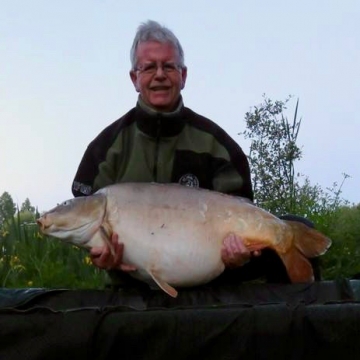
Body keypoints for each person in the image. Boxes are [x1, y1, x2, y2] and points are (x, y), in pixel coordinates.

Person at [71, 20, 311, 288]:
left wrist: (239, 254)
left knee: (297, 227)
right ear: (134, 79)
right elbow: (84, 223)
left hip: (208, 285)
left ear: (183, 76)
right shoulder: (104, 149)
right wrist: (98, 254)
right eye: (149, 67)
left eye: (169, 66)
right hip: (130, 287)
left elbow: (241, 212)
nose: (159, 74)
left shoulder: (219, 146)